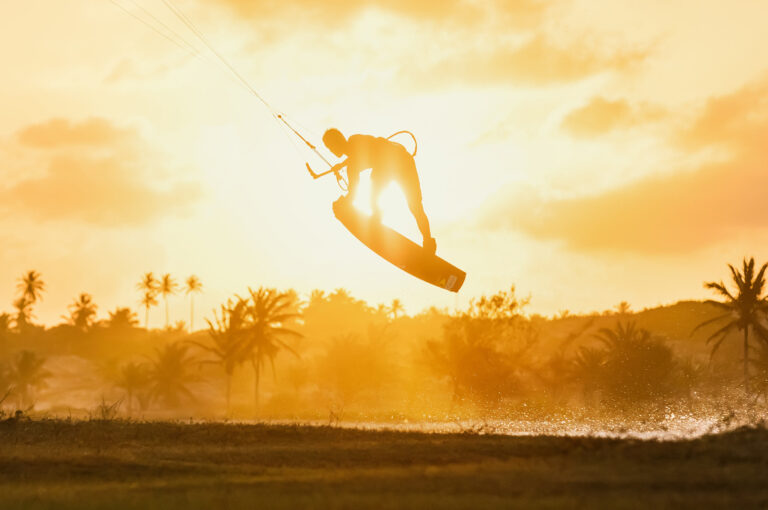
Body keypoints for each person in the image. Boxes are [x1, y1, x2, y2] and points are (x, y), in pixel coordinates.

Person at [323, 128, 437, 253]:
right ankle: (377, 220)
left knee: (414, 206)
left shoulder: (356, 141)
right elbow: (353, 188)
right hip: (398, 163)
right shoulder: (352, 165)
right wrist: (345, 202)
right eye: (328, 148)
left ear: (338, 141)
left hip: (401, 160)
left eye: (330, 147)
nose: (331, 151)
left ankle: (427, 242)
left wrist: (344, 204)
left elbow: (358, 154)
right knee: (410, 204)